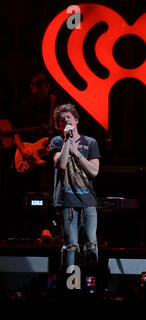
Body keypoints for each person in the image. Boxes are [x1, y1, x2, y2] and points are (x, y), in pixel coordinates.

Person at [49, 103, 101, 268]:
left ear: (76, 120)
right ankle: (70, 282)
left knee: (91, 243)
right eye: (62, 120)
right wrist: (67, 142)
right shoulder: (57, 141)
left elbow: (94, 171)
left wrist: (77, 153)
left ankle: (92, 279)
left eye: (68, 118)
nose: (65, 122)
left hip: (88, 201)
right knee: (71, 245)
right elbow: (61, 165)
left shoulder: (90, 142)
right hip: (67, 200)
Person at [10, 73, 61, 239]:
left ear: (47, 87)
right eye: (35, 90)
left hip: (45, 157)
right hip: (26, 154)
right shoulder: (24, 105)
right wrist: (22, 149)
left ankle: (45, 228)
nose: (38, 94)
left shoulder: (54, 104)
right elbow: (15, 131)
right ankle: (25, 230)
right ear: (31, 88)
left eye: (41, 90)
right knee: (26, 193)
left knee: (46, 193)